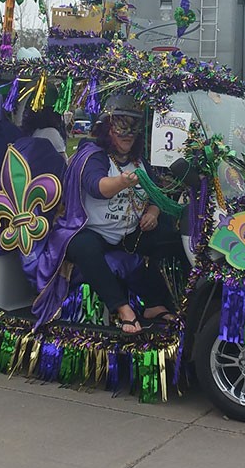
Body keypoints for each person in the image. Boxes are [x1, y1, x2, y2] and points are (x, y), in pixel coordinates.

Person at [32, 94, 181, 334]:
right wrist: (122, 182)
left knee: (168, 235)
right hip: (89, 230)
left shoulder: (138, 160)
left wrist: (152, 213)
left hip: (127, 231)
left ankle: (156, 302)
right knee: (84, 247)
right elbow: (97, 187)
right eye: (122, 126)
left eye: (133, 128)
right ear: (108, 128)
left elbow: (155, 194)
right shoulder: (93, 155)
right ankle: (122, 309)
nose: (128, 135)